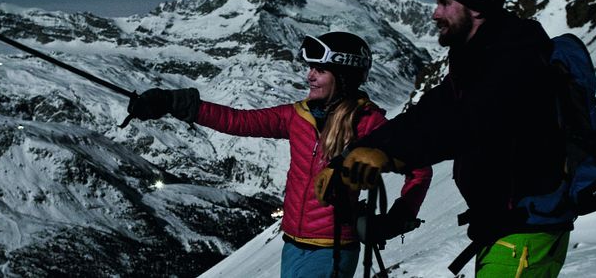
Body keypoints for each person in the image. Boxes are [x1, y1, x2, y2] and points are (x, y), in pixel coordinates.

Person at [127, 31, 433, 278]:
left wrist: (398, 218)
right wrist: (173, 102)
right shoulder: (297, 116)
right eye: (310, 68)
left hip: (333, 249)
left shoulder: (369, 123)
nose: (309, 76)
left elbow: (418, 167)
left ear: (344, 76)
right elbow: (239, 122)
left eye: (320, 69)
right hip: (292, 245)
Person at [334, 0, 571, 277]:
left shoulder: (513, 61)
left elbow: (463, 125)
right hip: (508, 230)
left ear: (476, 8)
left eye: (445, 2)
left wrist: (387, 156)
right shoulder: (482, 59)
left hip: (524, 231)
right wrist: (361, 149)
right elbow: (427, 115)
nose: (435, 13)